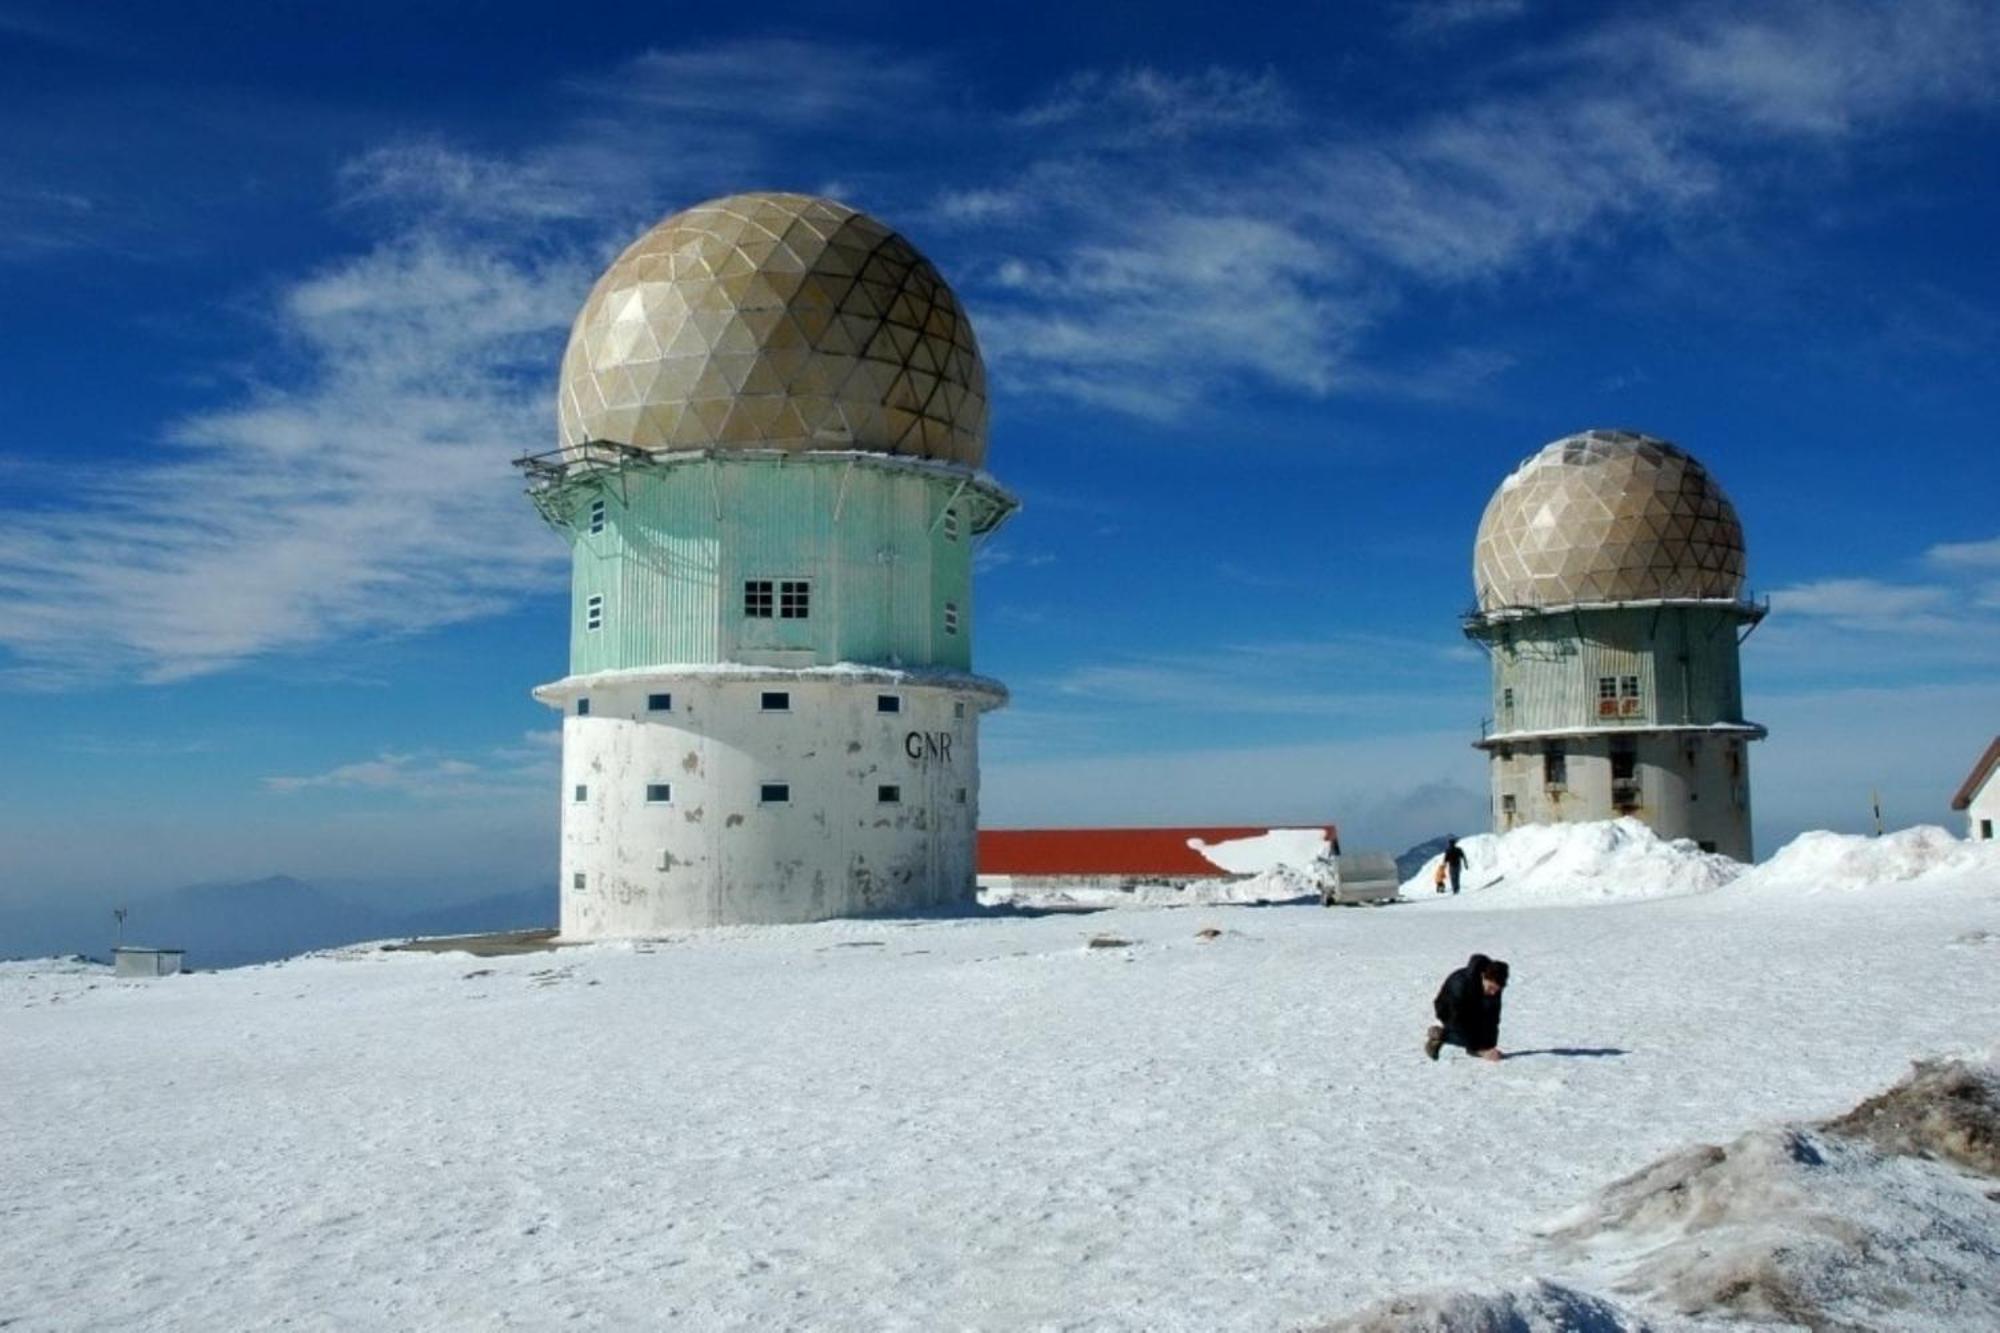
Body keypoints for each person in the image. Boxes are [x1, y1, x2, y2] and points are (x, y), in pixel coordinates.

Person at [1425, 953, 1509, 1062]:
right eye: (1491, 988)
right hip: (1449, 1011)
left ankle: (1473, 1045)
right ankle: (1441, 1035)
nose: (1493, 993)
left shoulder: (1494, 988)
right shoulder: (1460, 983)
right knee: (1463, 1035)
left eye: (1496, 990)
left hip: (1472, 1010)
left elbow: (1493, 1017)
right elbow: (1457, 1019)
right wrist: (1480, 1049)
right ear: (1483, 976)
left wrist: (1489, 1047)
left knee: (1482, 1027)